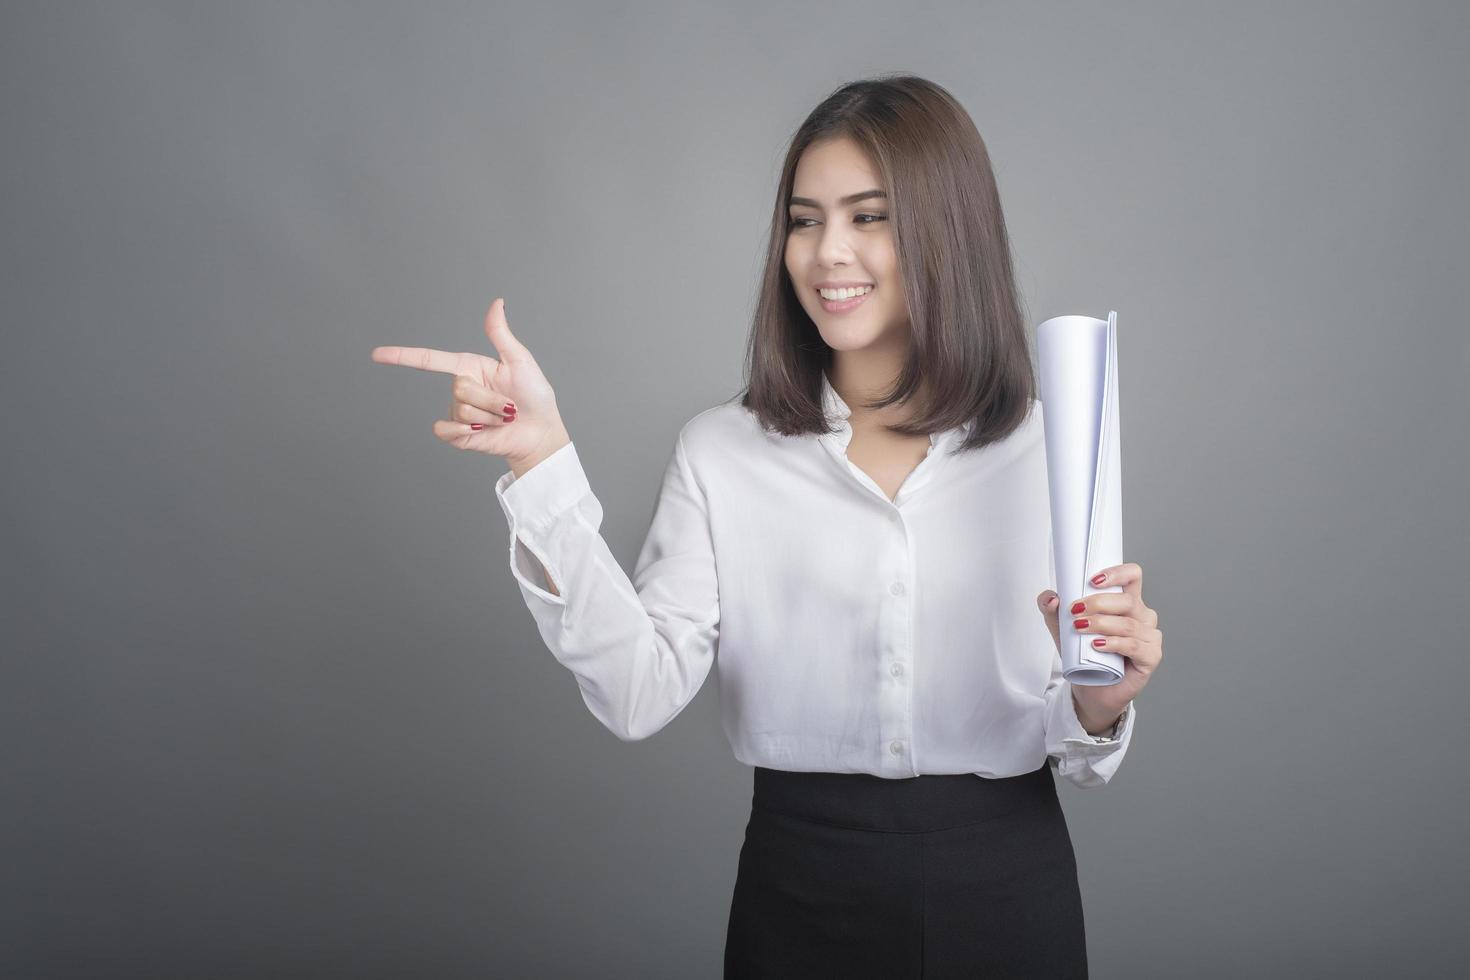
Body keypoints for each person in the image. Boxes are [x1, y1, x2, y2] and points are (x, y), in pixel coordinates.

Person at [371, 73, 1164, 978]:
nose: (828, 253)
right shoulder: (723, 451)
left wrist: (1101, 704)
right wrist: (540, 465)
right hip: (801, 891)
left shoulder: (1046, 444)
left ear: (949, 232)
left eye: (870, 217)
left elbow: (1076, 724)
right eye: (804, 218)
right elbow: (638, 693)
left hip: (1006, 886)